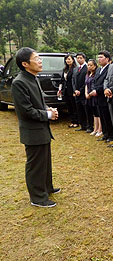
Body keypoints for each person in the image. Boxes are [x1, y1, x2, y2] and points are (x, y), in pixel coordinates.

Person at [11, 47, 60, 207]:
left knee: (45, 161)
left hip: (42, 129)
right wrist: (48, 115)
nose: (40, 61)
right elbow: (26, 111)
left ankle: (46, 187)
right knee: (35, 165)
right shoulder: (19, 82)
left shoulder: (33, 78)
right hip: (33, 131)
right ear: (25, 63)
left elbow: (39, 101)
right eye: (37, 58)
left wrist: (48, 109)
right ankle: (37, 198)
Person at [90, 50, 113, 143]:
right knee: (102, 116)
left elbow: (105, 82)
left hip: (104, 96)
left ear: (107, 59)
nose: (99, 59)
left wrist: (97, 90)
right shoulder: (99, 69)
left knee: (107, 117)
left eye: (101, 57)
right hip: (97, 97)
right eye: (98, 57)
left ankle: (111, 135)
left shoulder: (109, 69)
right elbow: (94, 81)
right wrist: (93, 89)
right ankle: (105, 133)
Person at [59, 54, 79, 128]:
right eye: (66, 59)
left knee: (74, 106)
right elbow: (62, 80)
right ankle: (72, 121)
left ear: (73, 60)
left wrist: (75, 90)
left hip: (72, 90)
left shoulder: (75, 69)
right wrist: (60, 89)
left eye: (69, 59)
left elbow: (75, 81)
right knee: (69, 107)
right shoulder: (65, 69)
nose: (68, 61)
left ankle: (76, 122)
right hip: (66, 90)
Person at [72, 52, 89, 132]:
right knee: (79, 110)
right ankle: (82, 125)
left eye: (80, 58)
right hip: (76, 93)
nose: (79, 59)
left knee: (85, 110)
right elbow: (73, 80)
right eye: (78, 58)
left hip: (83, 92)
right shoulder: (76, 69)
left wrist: (80, 90)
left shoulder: (87, 68)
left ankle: (88, 125)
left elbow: (86, 82)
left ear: (84, 59)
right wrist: (75, 89)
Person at [85, 59, 101, 136]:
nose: (89, 67)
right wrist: (86, 93)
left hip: (94, 95)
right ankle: (95, 129)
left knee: (98, 113)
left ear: (95, 66)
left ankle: (100, 129)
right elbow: (86, 85)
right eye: (88, 65)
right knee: (94, 113)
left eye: (91, 65)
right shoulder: (88, 74)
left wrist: (91, 94)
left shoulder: (96, 74)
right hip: (89, 96)